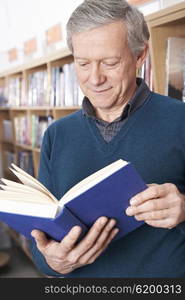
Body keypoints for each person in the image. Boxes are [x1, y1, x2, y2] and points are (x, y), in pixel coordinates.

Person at [30, 0, 185, 277]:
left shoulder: (180, 120)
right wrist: (52, 263)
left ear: (140, 56)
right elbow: (39, 235)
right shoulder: (57, 134)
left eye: (110, 62)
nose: (95, 78)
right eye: (83, 63)